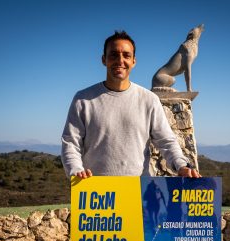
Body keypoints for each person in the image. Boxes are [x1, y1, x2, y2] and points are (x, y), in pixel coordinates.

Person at [61, 30, 201, 179]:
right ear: (104, 59)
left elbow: (166, 141)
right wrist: (76, 170)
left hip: (138, 192)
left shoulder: (149, 100)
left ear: (134, 61)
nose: (120, 60)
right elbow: (70, 143)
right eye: (114, 54)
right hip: (96, 195)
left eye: (126, 55)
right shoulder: (83, 99)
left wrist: (182, 166)